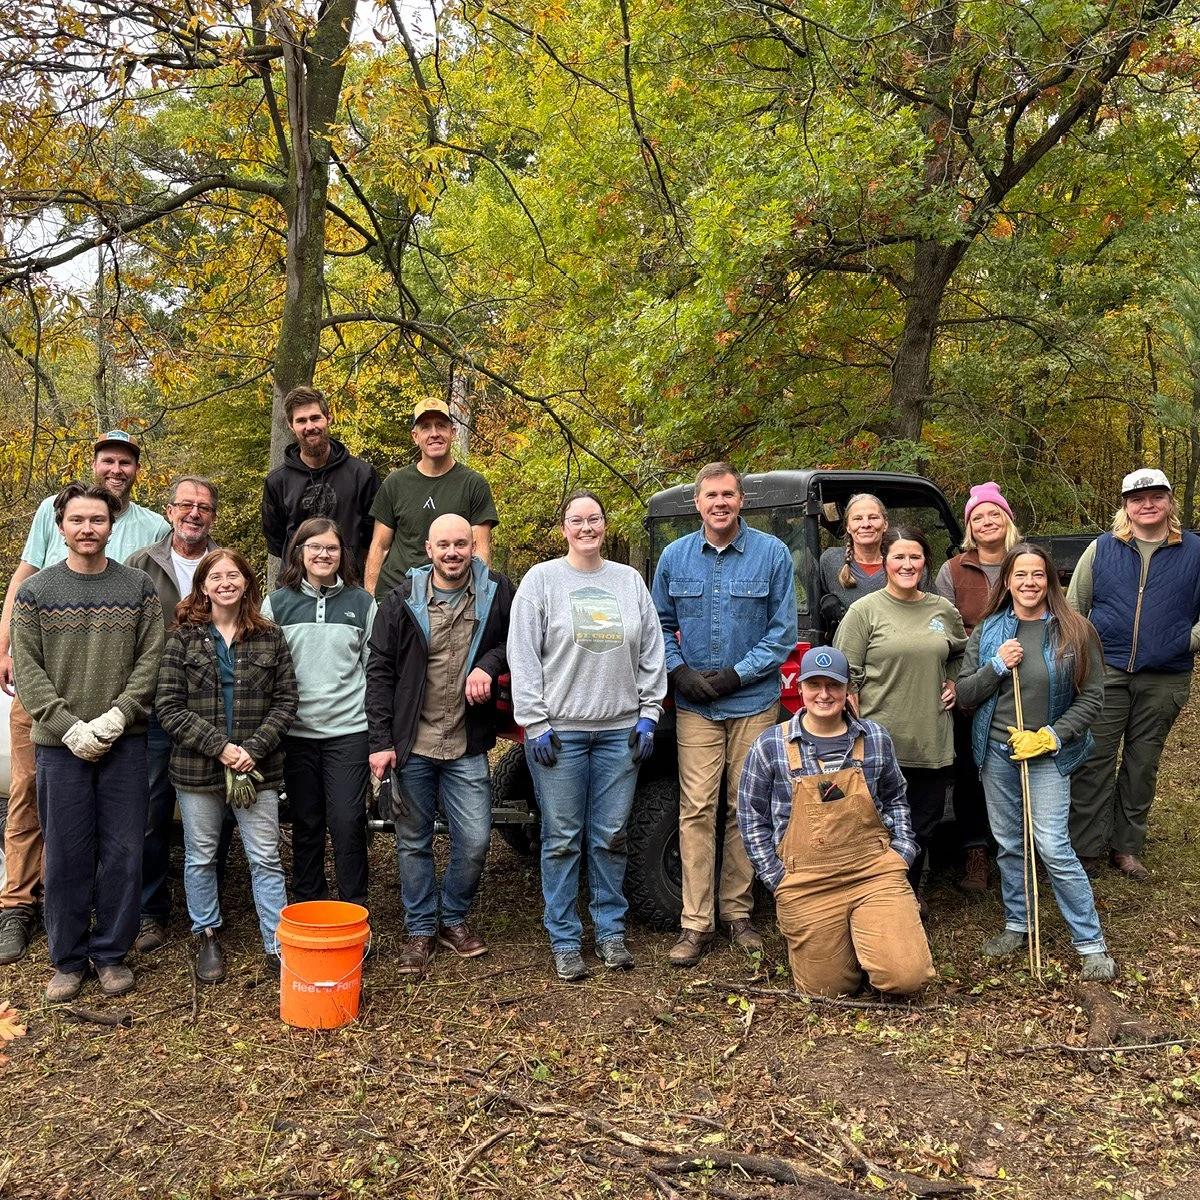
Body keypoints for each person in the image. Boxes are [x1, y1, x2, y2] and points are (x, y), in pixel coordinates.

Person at [0, 430, 169, 967]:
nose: (87, 528)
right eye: (77, 520)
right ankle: (67, 958)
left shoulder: (138, 587)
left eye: (97, 520)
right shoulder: (36, 592)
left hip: (125, 739)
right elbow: (28, 666)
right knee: (65, 852)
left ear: (111, 525)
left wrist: (120, 715)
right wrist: (66, 725)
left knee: (123, 851)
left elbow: (151, 658)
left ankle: (111, 954)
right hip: (59, 742)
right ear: (61, 526)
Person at [508, 491, 666, 980]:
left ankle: (610, 932)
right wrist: (534, 722)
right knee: (561, 839)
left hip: (620, 732)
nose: (586, 528)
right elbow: (522, 654)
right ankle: (564, 938)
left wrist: (650, 712)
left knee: (611, 836)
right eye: (576, 520)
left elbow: (652, 649)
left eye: (593, 519)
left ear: (604, 524)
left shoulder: (629, 581)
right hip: (560, 735)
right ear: (564, 529)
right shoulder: (541, 581)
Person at [651, 463, 796, 967]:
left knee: (743, 806)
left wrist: (738, 675)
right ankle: (696, 923)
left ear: (741, 500)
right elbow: (659, 626)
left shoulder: (772, 554)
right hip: (696, 706)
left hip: (753, 702)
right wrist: (678, 671)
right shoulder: (674, 557)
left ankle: (737, 913)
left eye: (728, 494)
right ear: (698, 503)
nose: (720, 503)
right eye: (711, 495)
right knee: (696, 808)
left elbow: (781, 633)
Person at [956, 543, 1116, 980]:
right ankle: (1017, 923)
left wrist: (1050, 736)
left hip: (1046, 753)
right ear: (1007, 581)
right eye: (1021, 574)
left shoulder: (1076, 631)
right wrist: (996, 665)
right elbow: (965, 694)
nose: (1029, 582)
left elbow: (1093, 699)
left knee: (1053, 846)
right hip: (996, 751)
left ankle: (1090, 943)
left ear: (1050, 581)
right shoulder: (989, 629)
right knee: (1010, 844)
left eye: (1038, 574)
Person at [366, 514, 515, 976]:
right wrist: (381, 741)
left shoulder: (496, 593)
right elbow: (379, 672)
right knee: (413, 842)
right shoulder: (400, 601)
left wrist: (488, 665)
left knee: (475, 839)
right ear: (428, 550)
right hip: (414, 743)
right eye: (443, 545)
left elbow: (516, 641)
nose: (453, 552)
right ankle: (420, 930)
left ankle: (451, 917)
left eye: (461, 544)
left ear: (473, 547)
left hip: (466, 743)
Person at [738, 646, 933, 997]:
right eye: (814, 684)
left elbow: (896, 797)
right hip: (806, 881)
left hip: (874, 872)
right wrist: (776, 878)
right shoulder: (770, 745)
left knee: (908, 979)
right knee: (826, 991)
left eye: (833, 685)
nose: (824, 694)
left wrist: (901, 853)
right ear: (800, 687)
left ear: (847, 690)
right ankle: (854, 944)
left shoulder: (874, 738)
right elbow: (751, 818)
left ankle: (878, 938)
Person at [155, 550, 298, 983]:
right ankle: (207, 934)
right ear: (203, 586)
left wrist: (252, 749)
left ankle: (277, 943)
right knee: (201, 855)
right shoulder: (182, 639)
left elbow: (286, 701)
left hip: (257, 769)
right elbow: (168, 706)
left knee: (265, 857)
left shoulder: (269, 637)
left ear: (247, 582)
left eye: (233, 575)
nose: (225, 583)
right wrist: (220, 748)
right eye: (215, 577)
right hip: (198, 771)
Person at [1067, 469, 1200, 881]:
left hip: (1165, 676)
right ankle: (1085, 847)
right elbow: (1074, 607)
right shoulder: (1102, 549)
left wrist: (1186, 641)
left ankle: (1126, 846)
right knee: (1094, 761)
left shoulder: (1194, 550)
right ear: (1125, 506)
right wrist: (1085, 657)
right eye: (1137, 498)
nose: (1147, 504)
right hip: (1106, 672)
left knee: (1142, 764)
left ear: (1169, 501)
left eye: (1156, 496)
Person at [834, 527, 967, 912]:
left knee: (922, 823)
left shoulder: (942, 611)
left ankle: (908, 894)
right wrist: (854, 721)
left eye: (915, 557)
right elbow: (843, 671)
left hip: (930, 737)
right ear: (885, 562)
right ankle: (875, 900)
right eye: (899, 557)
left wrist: (953, 681)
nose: (907, 565)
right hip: (880, 742)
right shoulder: (864, 611)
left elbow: (961, 653)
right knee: (877, 824)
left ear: (925, 563)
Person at [125, 476, 222, 952]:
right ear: (169, 511)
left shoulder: (225, 565)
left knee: (217, 809)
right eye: (185, 504)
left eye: (203, 507)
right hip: (155, 708)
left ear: (213, 517)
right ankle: (151, 911)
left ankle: (212, 907)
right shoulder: (140, 565)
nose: (194, 513)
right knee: (151, 811)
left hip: (212, 710)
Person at [262, 518, 376, 910]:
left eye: (331, 547)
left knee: (347, 822)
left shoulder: (362, 603)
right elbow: (266, 670)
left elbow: (373, 668)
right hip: (296, 733)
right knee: (306, 823)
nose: (323, 554)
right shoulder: (276, 604)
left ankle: (353, 907)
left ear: (343, 554)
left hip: (348, 730)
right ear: (299, 552)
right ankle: (309, 905)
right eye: (314, 547)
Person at [935, 482, 1023, 894]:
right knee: (970, 772)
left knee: (1023, 763)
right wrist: (959, 681)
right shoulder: (953, 570)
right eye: (978, 517)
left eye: (994, 514)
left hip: (1023, 678)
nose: (987, 522)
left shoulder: (1025, 561)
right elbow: (945, 632)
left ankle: (1026, 849)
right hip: (972, 681)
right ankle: (976, 853)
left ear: (1007, 520)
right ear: (969, 526)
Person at [364, 399, 499, 598]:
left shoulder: (473, 484)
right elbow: (380, 546)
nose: (434, 433)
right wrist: (370, 597)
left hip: (452, 595)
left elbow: (480, 551)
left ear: (453, 433)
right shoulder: (395, 483)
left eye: (441, 426)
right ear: (415, 436)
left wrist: (479, 600)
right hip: (396, 594)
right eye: (426, 427)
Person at [262, 385, 381, 572]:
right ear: (291, 425)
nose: (310, 427)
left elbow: (373, 534)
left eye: (315, 418)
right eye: (301, 421)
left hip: (348, 581)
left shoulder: (362, 474)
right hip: (296, 581)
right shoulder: (277, 481)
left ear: (329, 418)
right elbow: (275, 539)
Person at [818, 493, 889, 617]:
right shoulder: (831, 561)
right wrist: (826, 599)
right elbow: (815, 597)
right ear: (848, 526)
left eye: (873, 517)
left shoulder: (904, 563)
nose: (866, 524)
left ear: (885, 524)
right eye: (857, 519)